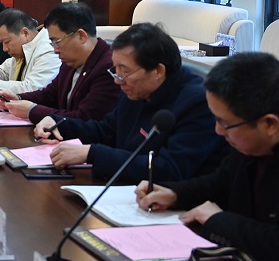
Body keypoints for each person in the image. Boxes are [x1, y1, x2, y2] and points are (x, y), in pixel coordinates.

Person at [135, 52, 279, 261]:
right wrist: (175, 194)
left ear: (270, 124)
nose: (218, 130)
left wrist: (218, 221)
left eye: (225, 123)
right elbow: (220, 184)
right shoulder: (250, 144)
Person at [34, 23, 227, 183]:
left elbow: (169, 169)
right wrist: (58, 123)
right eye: (115, 70)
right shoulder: (136, 89)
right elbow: (106, 130)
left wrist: (92, 153)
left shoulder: (199, 103)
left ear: (158, 71)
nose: (117, 80)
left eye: (124, 71)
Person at [0, 2, 119, 121]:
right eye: (52, 43)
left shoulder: (109, 67)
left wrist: (32, 111)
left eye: (57, 42)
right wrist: (18, 97)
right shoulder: (70, 62)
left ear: (81, 36)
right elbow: (49, 95)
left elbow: (84, 118)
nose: (55, 50)